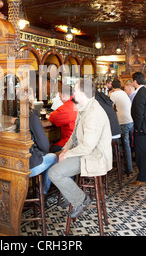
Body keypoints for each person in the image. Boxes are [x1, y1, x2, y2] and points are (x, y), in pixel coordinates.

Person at [48, 78, 112, 218]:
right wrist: (65, 150)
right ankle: (70, 194)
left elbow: (88, 147)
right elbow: (73, 136)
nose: (74, 94)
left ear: (82, 93)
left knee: (54, 173)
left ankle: (81, 200)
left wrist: (68, 154)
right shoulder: (84, 107)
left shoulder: (93, 113)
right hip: (83, 152)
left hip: (93, 156)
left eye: (76, 90)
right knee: (55, 159)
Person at [14, 97, 58, 194]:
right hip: (29, 166)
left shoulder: (18, 118)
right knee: (54, 157)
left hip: (15, 165)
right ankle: (43, 191)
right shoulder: (33, 118)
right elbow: (45, 146)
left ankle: (36, 189)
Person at [130, 72, 146, 186]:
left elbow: (139, 114)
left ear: (135, 81)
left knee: (140, 154)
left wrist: (137, 128)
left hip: (142, 128)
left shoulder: (140, 94)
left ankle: (142, 178)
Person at [109, 78, 134, 174]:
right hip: (130, 121)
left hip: (123, 122)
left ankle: (124, 167)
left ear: (112, 86)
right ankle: (127, 166)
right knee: (126, 144)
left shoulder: (113, 94)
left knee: (121, 143)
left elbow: (108, 106)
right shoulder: (123, 93)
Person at [48, 89, 78, 153]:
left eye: (60, 97)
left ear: (65, 95)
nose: (60, 99)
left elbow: (53, 117)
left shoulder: (68, 106)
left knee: (53, 148)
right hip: (78, 141)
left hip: (70, 142)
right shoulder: (77, 101)